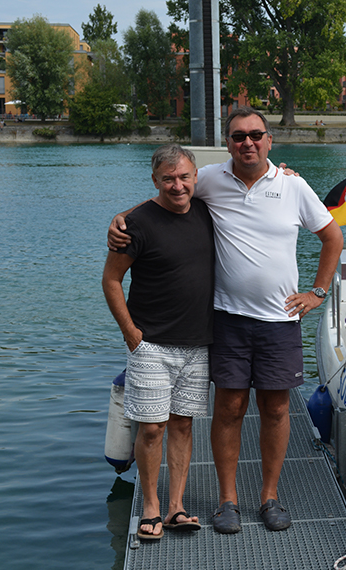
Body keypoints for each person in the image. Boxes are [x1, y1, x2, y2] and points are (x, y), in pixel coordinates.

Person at [109, 107, 344, 534]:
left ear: (270, 140)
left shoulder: (293, 185)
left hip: (280, 321)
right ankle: (227, 501)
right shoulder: (212, 179)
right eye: (238, 137)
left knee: (275, 409)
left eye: (256, 135)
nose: (247, 143)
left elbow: (332, 236)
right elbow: (169, 192)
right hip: (228, 320)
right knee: (230, 408)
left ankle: (270, 497)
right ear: (229, 143)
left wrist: (318, 292)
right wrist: (123, 217)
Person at [102, 144, 213, 540]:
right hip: (151, 345)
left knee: (182, 426)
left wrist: (282, 171)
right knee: (151, 429)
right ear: (155, 181)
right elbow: (111, 280)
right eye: (168, 179)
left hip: (197, 344)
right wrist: (131, 334)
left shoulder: (206, 210)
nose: (177, 185)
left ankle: (176, 507)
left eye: (184, 177)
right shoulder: (136, 224)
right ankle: (150, 508)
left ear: (195, 177)